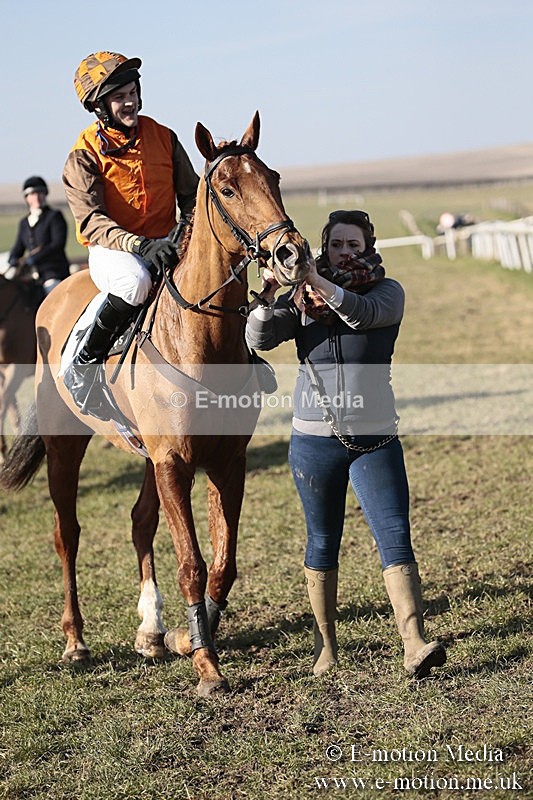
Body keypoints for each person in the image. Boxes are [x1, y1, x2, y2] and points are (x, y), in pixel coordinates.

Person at [245, 209, 446, 679]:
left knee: (395, 535)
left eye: (353, 244)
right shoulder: (299, 300)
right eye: (337, 244)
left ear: (368, 247)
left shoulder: (386, 292)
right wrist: (268, 294)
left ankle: (414, 642)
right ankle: (326, 647)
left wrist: (313, 277)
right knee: (322, 541)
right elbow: (259, 336)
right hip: (314, 442)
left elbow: (359, 316)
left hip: (376, 439)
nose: (345, 252)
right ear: (325, 246)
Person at [62, 51, 199, 417]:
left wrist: (183, 237)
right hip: (114, 251)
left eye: (132, 92)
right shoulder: (83, 155)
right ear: (100, 106)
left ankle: (242, 357)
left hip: (166, 243)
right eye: (119, 96)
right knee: (137, 281)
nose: (130, 101)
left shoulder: (165, 137)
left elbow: (192, 196)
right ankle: (85, 364)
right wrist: (139, 244)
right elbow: (91, 220)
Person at [8, 176, 70, 296]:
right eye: (32, 194)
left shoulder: (54, 216)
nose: (36, 197)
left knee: (52, 295)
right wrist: (13, 258)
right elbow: (18, 247)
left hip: (53, 272)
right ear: (26, 198)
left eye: (39, 193)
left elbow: (57, 244)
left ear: (45, 195)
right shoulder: (24, 223)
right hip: (31, 275)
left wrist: (34, 258)